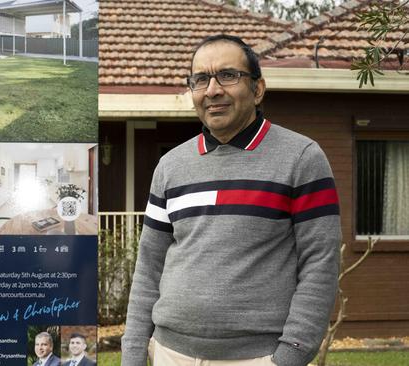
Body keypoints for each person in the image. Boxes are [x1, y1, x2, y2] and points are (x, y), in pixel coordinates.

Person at [121, 34, 341, 366]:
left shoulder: (301, 158)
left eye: (228, 75)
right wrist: (134, 352)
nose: (212, 90)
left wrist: (290, 355)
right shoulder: (170, 166)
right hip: (169, 353)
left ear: (258, 89)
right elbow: (149, 266)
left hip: (257, 358)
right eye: (200, 79)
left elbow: (320, 263)